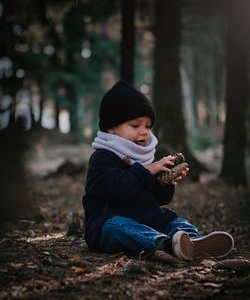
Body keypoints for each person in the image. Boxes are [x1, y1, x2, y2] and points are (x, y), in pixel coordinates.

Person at [82, 81, 234, 260]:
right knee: (117, 227)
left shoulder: (144, 158)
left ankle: (194, 242)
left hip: (149, 220)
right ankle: (165, 245)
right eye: (135, 125)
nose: (144, 132)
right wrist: (146, 171)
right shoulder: (102, 158)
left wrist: (165, 184)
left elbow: (159, 199)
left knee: (176, 223)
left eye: (147, 126)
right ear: (111, 127)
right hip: (107, 223)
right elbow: (115, 189)